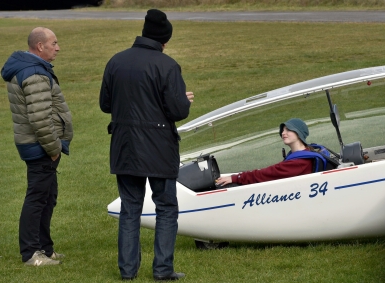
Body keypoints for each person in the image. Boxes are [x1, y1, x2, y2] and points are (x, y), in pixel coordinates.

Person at [99, 9, 193, 281]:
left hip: (125, 145)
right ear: (164, 40)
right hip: (158, 146)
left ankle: (128, 271)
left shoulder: (116, 61)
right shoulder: (167, 65)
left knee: (130, 208)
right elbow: (178, 110)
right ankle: (162, 270)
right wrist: (184, 100)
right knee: (165, 207)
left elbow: (106, 104)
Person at [0, 27, 73, 266]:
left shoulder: (31, 69)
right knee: (37, 198)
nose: (58, 47)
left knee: (47, 196)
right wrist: (53, 148)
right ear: (40, 46)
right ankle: (32, 254)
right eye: (54, 43)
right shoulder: (34, 74)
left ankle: (44, 248)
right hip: (41, 148)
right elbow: (40, 118)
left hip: (38, 145)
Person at [216, 118, 333, 186]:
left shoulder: (300, 161)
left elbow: (268, 173)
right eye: (282, 130)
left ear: (299, 134)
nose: (283, 133)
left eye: (288, 130)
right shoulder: (307, 151)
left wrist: (236, 178)